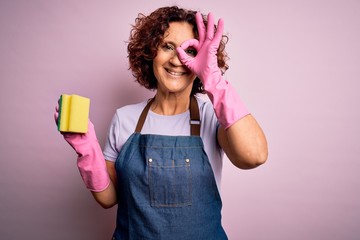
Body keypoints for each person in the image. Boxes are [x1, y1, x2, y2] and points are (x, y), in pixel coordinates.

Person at [55, 6, 268, 240]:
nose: (177, 60)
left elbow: (254, 156)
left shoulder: (213, 116)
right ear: (150, 52)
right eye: (167, 46)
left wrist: (214, 79)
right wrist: (87, 149)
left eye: (189, 50)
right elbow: (108, 198)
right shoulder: (125, 118)